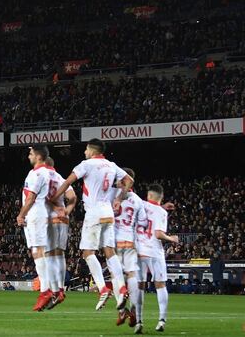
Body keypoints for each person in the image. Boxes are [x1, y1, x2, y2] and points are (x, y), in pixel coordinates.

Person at [53, 138, 134, 311]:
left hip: (95, 211)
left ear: (92, 150)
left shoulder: (87, 164)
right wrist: (119, 198)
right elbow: (129, 181)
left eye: (86, 150)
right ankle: (121, 287)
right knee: (109, 251)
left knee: (88, 252)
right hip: (108, 212)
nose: (84, 152)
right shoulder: (111, 165)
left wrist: (53, 198)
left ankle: (103, 288)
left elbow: (67, 182)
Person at [136, 183, 179, 334]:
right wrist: (172, 239)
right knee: (160, 285)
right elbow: (159, 234)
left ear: (149, 195)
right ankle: (161, 320)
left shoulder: (139, 204)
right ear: (161, 197)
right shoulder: (161, 213)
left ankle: (139, 321)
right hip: (154, 251)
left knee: (139, 286)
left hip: (138, 250)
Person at [16, 144, 54, 311]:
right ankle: (49, 288)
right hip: (39, 215)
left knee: (38, 252)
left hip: (35, 215)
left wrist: (21, 214)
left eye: (30, 153)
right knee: (38, 252)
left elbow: (30, 198)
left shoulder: (38, 173)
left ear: (38, 156)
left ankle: (46, 290)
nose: (28, 156)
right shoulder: (46, 172)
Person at [112, 168, 145, 328]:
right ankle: (133, 309)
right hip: (130, 241)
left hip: (114, 241)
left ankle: (122, 311)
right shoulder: (137, 200)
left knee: (115, 275)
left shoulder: (112, 195)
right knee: (132, 275)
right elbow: (144, 223)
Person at [44, 156, 75, 309]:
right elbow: (73, 197)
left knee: (49, 254)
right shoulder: (61, 179)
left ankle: (55, 291)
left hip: (49, 219)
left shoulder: (41, 176)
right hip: (63, 220)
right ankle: (61, 288)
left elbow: (41, 198)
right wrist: (66, 211)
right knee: (60, 254)